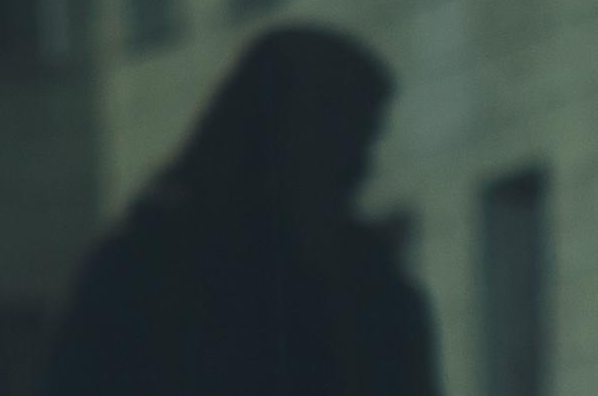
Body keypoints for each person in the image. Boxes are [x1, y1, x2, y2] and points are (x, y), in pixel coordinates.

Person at [39, 25, 440, 396]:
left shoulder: (369, 285)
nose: (359, 167)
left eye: (362, 140)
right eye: (343, 139)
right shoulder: (146, 274)